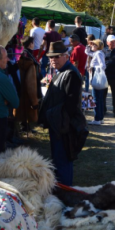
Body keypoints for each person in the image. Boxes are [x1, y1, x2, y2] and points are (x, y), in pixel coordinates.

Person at [39, 41, 88, 186]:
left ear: (66, 56)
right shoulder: (61, 72)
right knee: (58, 161)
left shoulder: (71, 74)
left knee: (62, 162)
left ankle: (64, 192)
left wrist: (58, 121)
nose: (53, 60)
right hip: (58, 124)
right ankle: (61, 189)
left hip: (65, 126)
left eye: (57, 56)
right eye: (51, 57)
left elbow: (71, 105)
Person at [15, 36, 41, 133]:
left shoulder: (27, 53)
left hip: (27, 81)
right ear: (30, 43)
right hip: (27, 82)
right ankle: (24, 126)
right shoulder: (27, 55)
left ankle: (26, 126)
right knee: (26, 104)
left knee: (25, 105)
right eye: (33, 42)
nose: (34, 44)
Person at [87, 39, 106, 125]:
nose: (92, 46)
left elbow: (103, 65)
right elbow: (87, 52)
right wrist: (89, 44)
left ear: (97, 46)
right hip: (97, 74)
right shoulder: (97, 53)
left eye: (94, 45)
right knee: (99, 98)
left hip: (97, 75)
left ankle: (97, 118)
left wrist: (94, 69)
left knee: (96, 98)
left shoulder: (98, 53)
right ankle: (100, 117)